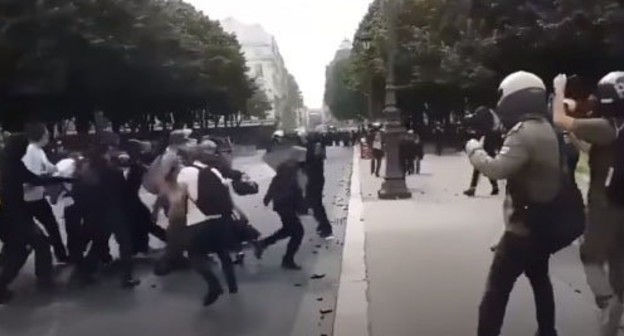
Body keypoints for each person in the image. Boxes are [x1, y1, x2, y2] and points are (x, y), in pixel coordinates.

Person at [466, 71, 561, 336]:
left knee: (496, 288)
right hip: (544, 222)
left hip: (523, 227)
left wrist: (474, 149)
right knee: (540, 280)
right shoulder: (547, 128)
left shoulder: (522, 133)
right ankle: (547, 331)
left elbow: (496, 169)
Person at [552, 72, 624, 336]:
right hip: (620, 200)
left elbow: (560, 118)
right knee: (618, 260)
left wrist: (559, 91)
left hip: (604, 205)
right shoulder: (615, 129)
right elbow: (592, 150)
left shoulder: (606, 126)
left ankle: (607, 304)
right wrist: (572, 135)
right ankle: (613, 320)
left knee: (590, 255)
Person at [0, 134, 72, 303]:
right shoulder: (13, 165)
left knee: (15, 247)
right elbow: (35, 179)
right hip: (12, 214)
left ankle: (13, 280)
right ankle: (42, 281)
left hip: (8, 214)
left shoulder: (6, 162)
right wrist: (64, 178)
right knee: (33, 245)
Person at [78, 139, 140, 288]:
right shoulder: (114, 172)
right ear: (105, 153)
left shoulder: (87, 170)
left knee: (99, 243)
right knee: (125, 243)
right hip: (114, 211)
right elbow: (124, 192)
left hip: (96, 212)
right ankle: (127, 277)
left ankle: (86, 272)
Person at [22, 122, 68, 263]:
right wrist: (50, 178)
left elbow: (49, 167)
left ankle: (60, 254)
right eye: (46, 133)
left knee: (47, 226)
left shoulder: (38, 150)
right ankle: (60, 255)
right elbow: (31, 177)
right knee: (49, 226)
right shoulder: (31, 151)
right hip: (30, 198)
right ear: (41, 135)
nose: (48, 135)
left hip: (35, 196)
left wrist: (60, 168)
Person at [255, 158, 307, 270]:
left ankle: (263, 244)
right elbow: (297, 197)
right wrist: (304, 210)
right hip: (288, 209)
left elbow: (271, 191)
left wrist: (267, 200)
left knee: (287, 230)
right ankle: (287, 259)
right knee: (298, 233)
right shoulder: (293, 180)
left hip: (280, 208)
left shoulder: (278, 177)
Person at [464, 107, 502, 197]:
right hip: (489, 140)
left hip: (485, 141)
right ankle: (494, 186)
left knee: (480, 163)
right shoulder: (489, 112)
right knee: (486, 164)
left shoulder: (481, 112)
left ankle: (473, 188)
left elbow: (475, 123)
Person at [304, 133, 333, 239]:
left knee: (316, 204)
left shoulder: (311, 149)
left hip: (313, 180)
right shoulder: (316, 148)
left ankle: (325, 227)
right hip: (315, 179)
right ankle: (322, 226)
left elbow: (308, 163)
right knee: (314, 203)